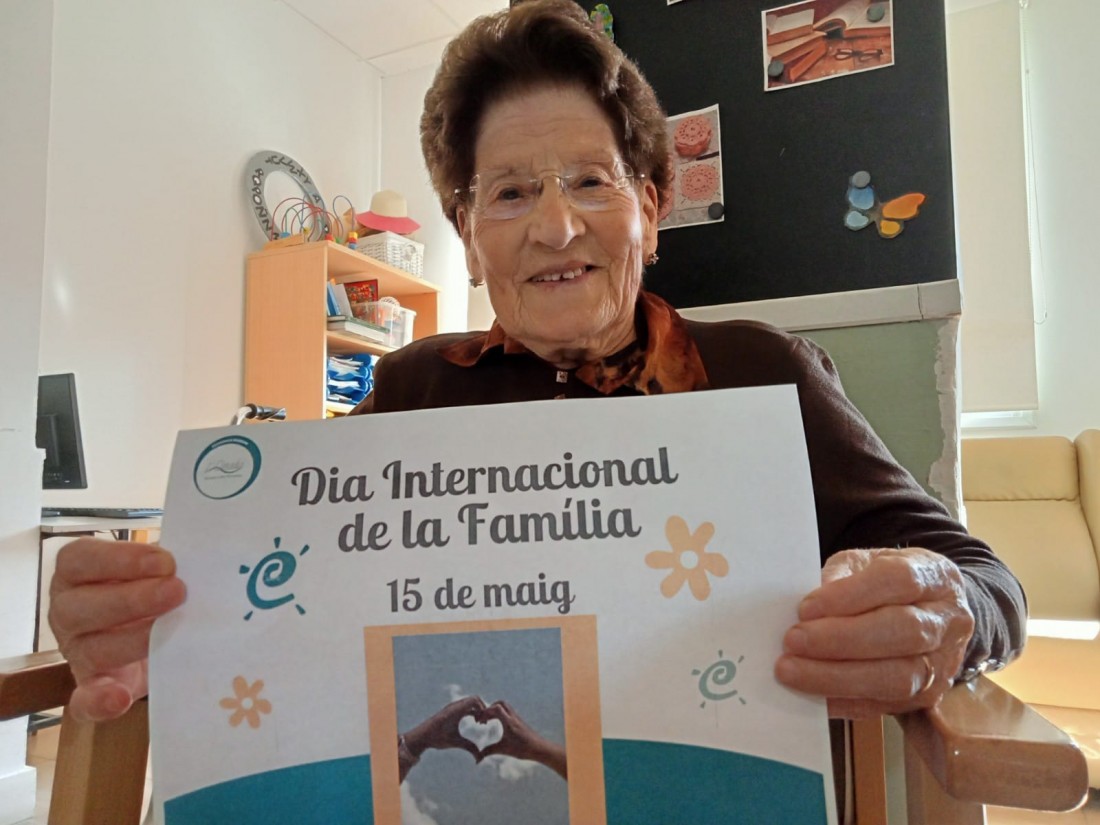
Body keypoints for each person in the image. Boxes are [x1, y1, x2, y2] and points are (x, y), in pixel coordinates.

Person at [48, 0, 1024, 728]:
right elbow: (281, 590)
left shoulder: (761, 375)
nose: (554, 227)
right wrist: (154, 618)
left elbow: (986, 581)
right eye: (509, 193)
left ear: (649, 212)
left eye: (590, 181)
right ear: (468, 242)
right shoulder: (412, 389)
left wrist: (946, 611)